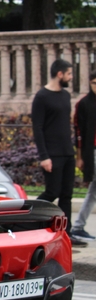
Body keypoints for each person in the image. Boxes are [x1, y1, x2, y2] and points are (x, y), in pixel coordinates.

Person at [32, 59, 86, 247]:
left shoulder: (65, 95)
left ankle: (66, 234)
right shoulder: (42, 97)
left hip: (67, 153)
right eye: (69, 74)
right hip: (51, 155)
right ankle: (29, 218)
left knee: (66, 195)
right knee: (51, 192)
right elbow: (37, 128)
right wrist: (44, 156)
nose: (71, 77)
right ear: (60, 74)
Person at [71, 70, 96, 240]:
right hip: (92, 151)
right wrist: (80, 156)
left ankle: (79, 225)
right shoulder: (84, 104)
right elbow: (78, 131)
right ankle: (78, 226)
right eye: (94, 83)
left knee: (93, 191)